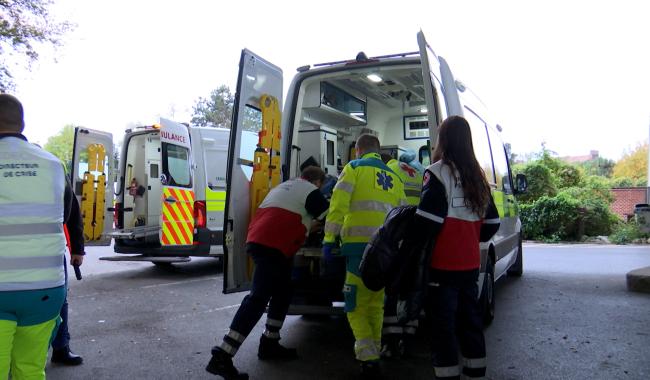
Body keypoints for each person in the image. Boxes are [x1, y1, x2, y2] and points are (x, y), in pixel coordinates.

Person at [206, 166, 329, 380]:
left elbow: (291, 215)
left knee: (284, 290)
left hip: (261, 239)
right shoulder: (311, 190)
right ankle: (222, 356)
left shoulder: (285, 186)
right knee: (258, 299)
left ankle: (270, 342)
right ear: (318, 182)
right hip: (273, 245)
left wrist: (308, 227)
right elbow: (331, 216)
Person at [407, 116, 500, 379]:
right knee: (471, 322)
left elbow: (428, 222)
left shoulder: (436, 172)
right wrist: (470, 237)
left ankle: (447, 375)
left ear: (443, 140)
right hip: (470, 265)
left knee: (443, 326)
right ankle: (476, 372)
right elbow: (492, 222)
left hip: (442, 266)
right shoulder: (477, 176)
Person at [323, 134, 406, 378]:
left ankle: (368, 357)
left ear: (358, 150)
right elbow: (400, 215)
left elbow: (338, 205)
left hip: (358, 248)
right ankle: (374, 351)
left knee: (355, 304)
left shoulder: (354, 168)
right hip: (385, 251)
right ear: (378, 151)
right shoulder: (394, 176)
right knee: (375, 304)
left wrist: (329, 240)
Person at [0, 94, 72, 379]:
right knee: (30, 369)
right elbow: (65, 214)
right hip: (46, 289)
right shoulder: (53, 164)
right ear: (22, 123)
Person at [380, 150, 424, 358]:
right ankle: (410, 331)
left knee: (393, 285)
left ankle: (391, 341)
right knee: (413, 282)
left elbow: (389, 199)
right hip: (418, 233)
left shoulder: (391, 169)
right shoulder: (420, 171)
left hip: (400, 230)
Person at [51, 200, 85, 365]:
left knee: (59, 299)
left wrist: (77, 249)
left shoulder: (54, 175)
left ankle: (61, 347)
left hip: (49, 251)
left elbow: (72, 213)